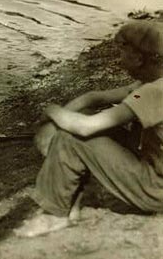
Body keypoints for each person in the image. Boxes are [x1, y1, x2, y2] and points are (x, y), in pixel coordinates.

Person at [16, 20, 163, 237]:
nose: (118, 60)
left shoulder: (152, 92)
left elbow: (85, 128)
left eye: (122, 53)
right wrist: (62, 117)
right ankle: (72, 203)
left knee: (71, 138)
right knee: (81, 122)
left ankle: (55, 215)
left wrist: (51, 111)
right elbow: (95, 97)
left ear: (139, 58)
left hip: (155, 189)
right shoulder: (152, 83)